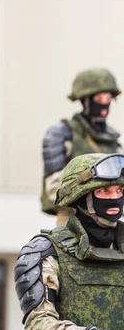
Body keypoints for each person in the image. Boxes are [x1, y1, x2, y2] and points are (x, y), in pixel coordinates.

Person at [17, 153, 124, 330]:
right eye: (104, 190)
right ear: (81, 196)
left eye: (120, 190)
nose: (115, 197)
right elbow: (38, 326)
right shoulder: (47, 251)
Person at [41, 68, 122, 224]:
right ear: (85, 99)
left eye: (108, 98)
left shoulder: (112, 140)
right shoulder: (61, 133)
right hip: (74, 218)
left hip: (109, 220)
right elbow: (55, 190)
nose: (105, 103)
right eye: (99, 98)